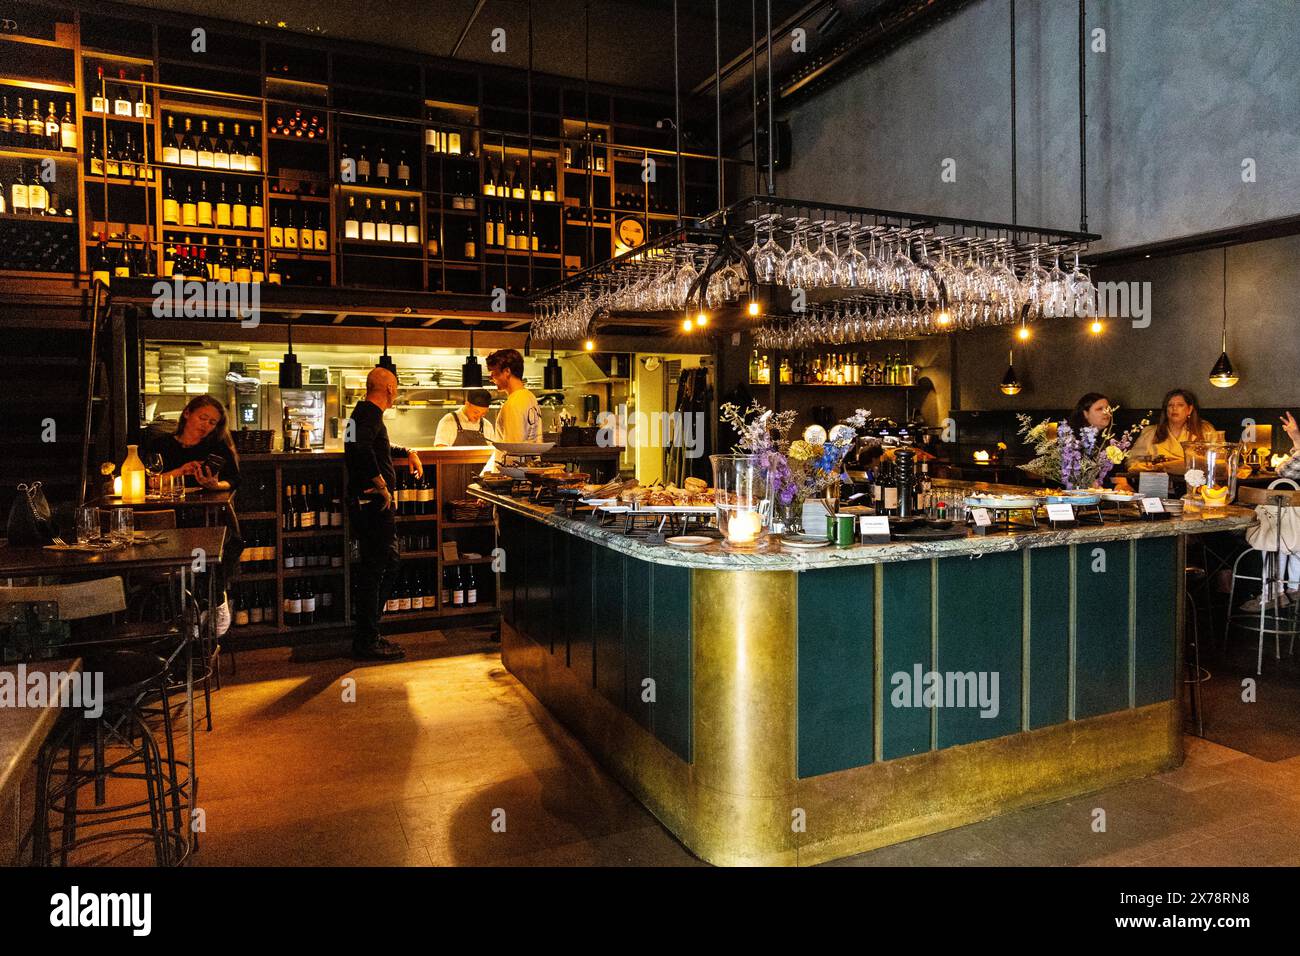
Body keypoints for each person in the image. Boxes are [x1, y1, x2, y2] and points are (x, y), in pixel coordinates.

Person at [344, 366, 425, 661]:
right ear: (390, 389)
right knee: (377, 569)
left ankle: (369, 634)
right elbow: (358, 448)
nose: (397, 392)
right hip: (372, 505)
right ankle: (366, 640)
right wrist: (381, 486)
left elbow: (377, 446)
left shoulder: (364, 413)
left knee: (384, 565)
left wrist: (407, 451)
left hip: (369, 505)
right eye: (397, 387)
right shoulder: (367, 413)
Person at [142, 394, 241, 492]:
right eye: (202, 418)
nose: (206, 424)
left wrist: (216, 485)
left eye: (212, 422)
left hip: (206, 504)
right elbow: (149, 482)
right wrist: (181, 471)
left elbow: (234, 479)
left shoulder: (217, 446)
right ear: (187, 413)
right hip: (168, 504)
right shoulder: (161, 444)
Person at [1128, 388, 1217, 473]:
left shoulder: (1205, 430)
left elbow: (1218, 462)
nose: (1174, 409)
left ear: (1189, 409)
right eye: (1170, 405)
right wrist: (1146, 467)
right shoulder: (1151, 432)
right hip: (1157, 484)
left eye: (1180, 405)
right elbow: (1132, 461)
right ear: (1166, 409)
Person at [486, 348, 540, 445]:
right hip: (531, 459)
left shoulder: (513, 403)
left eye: (493, 372)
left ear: (507, 371)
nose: (491, 378)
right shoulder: (530, 397)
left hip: (513, 460)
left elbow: (513, 448)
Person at [433, 389, 499, 447]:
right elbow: (440, 447)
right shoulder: (449, 421)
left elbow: (492, 451)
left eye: (483, 414)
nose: (478, 417)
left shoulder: (487, 425)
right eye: (476, 412)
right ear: (467, 404)